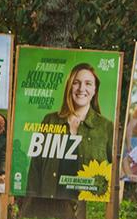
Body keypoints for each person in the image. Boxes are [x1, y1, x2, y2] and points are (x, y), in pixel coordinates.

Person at [28, 63, 114, 199]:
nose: (81, 88)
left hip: (87, 211)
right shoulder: (50, 120)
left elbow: (114, 173)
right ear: (69, 87)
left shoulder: (106, 127)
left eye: (88, 83)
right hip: (48, 206)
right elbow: (35, 167)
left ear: (95, 89)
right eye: (76, 83)